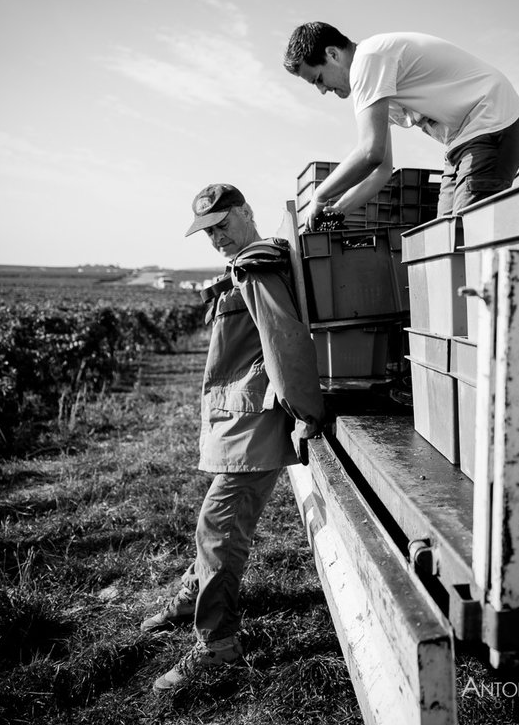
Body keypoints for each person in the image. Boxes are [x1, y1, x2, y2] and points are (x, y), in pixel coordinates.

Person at [143, 183, 325, 691]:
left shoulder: (256, 265)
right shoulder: (244, 265)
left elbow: (284, 341)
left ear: (246, 213)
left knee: (219, 527)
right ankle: (191, 592)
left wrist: (307, 413)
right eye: (208, 231)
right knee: (216, 521)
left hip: (254, 425)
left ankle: (218, 643)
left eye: (224, 224)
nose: (217, 238)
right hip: (237, 421)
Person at [283, 22, 519, 230]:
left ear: (333, 54)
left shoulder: (368, 60)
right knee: (443, 235)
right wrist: (338, 210)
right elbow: (381, 170)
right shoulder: (373, 84)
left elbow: (370, 152)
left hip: (490, 123)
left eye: (318, 79)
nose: (323, 90)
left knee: (461, 238)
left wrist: (320, 195)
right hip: (463, 141)